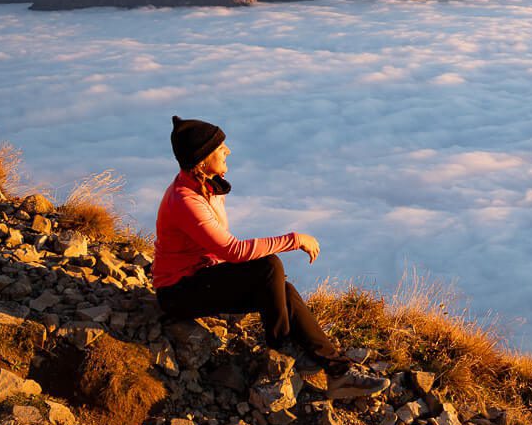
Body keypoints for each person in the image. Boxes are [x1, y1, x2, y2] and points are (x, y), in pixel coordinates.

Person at [153, 115, 386, 392]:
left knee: (283, 290)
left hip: (202, 278)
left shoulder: (205, 185)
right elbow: (232, 250)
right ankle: (281, 349)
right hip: (178, 292)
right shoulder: (185, 200)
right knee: (269, 267)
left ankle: (339, 371)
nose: (228, 151)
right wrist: (294, 240)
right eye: (220, 148)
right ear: (201, 160)